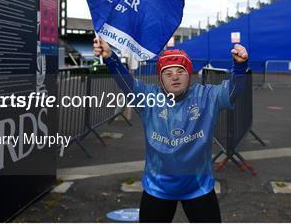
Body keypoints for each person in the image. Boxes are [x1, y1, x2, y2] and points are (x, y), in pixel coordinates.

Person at [93, 37, 249, 223]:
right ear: (160, 79)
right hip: (158, 189)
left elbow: (233, 90)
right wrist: (110, 57)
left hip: (198, 188)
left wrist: (240, 67)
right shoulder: (149, 98)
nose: (175, 77)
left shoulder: (207, 96)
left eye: (180, 71)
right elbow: (126, 84)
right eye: (168, 73)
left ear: (189, 75)